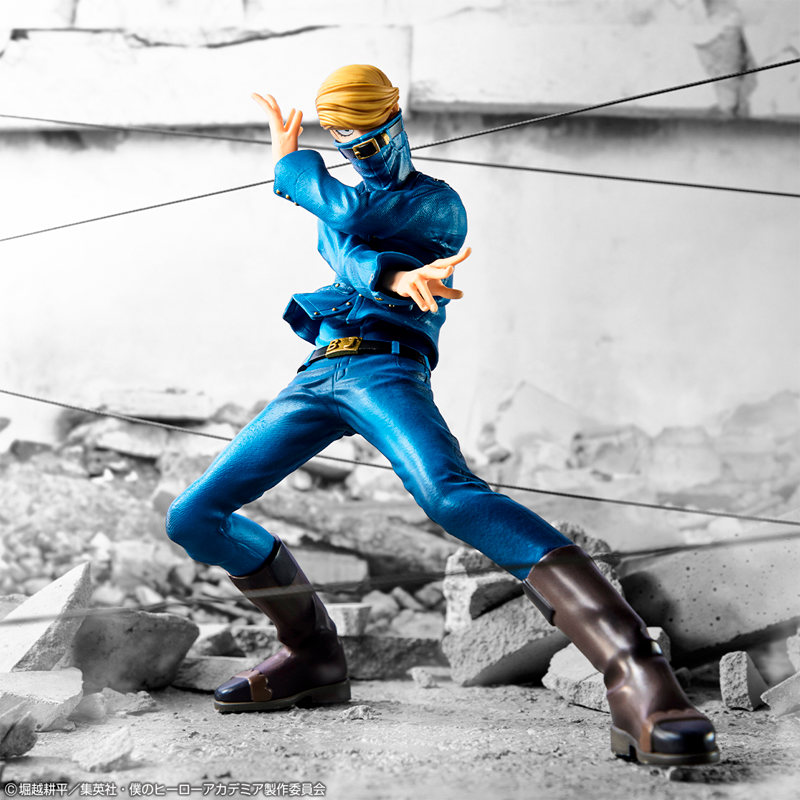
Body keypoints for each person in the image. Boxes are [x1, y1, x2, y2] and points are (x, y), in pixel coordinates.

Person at [165, 65, 719, 767]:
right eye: (349, 147)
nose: (365, 157)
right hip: (318, 371)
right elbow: (344, 239)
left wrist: (291, 167)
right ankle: (312, 655)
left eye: (374, 141)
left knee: (449, 494)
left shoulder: (435, 205)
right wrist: (388, 272)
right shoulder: (352, 202)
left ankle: (637, 673)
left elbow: (344, 216)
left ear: (398, 123)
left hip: (385, 369)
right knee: (193, 516)